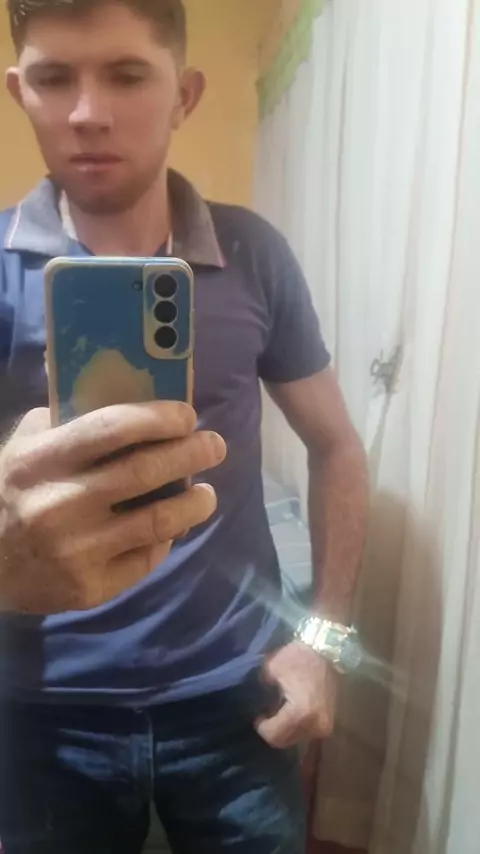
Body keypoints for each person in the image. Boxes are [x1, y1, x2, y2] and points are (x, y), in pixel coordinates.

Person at [0, 1, 369, 852]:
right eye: (54, 78)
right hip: (42, 714)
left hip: (238, 696)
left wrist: (323, 643)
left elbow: (338, 448)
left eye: (127, 74)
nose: (87, 112)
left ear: (185, 96)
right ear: (21, 92)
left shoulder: (255, 253)